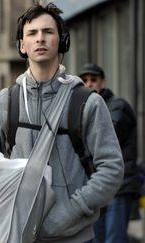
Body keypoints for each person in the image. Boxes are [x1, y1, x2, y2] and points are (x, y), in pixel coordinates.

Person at [0, 2, 124, 242]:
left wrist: (68, 213)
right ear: (22, 45)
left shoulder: (87, 102)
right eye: (32, 33)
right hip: (15, 232)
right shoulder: (7, 100)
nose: (40, 38)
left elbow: (112, 169)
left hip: (72, 236)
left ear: (62, 42)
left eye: (48, 32)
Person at [78, 63, 141, 243]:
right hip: (96, 188)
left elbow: (105, 135)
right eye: (84, 81)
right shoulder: (85, 109)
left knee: (114, 239)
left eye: (93, 80)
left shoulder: (118, 106)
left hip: (118, 188)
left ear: (103, 82)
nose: (89, 84)